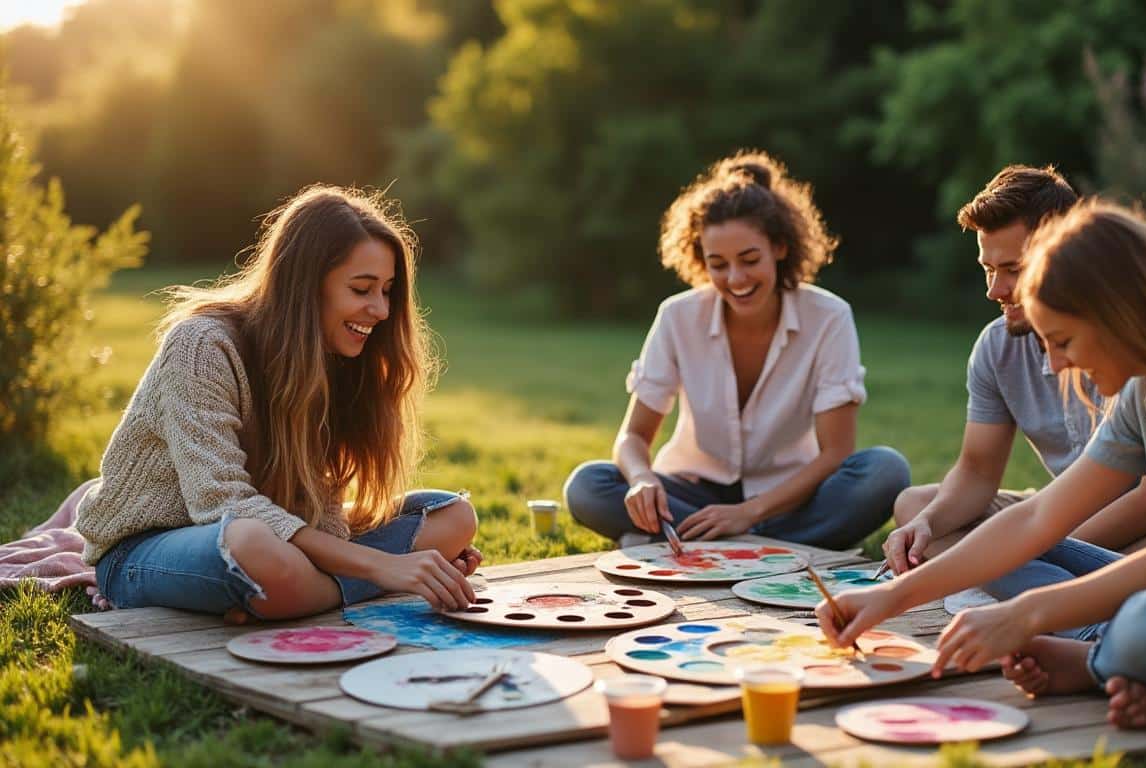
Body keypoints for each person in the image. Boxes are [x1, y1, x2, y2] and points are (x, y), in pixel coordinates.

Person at [818, 200, 1146, 729]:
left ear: (1121, 313)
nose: (1056, 364)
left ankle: (1106, 663)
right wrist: (890, 595)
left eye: (1063, 341)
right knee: (977, 529)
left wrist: (1024, 615)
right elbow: (1038, 516)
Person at [77, 185, 481, 621]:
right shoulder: (201, 345)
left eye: (386, 291)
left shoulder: (333, 359)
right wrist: (384, 566)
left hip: (274, 538)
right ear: (305, 286)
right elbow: (221, 504)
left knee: (453, 516)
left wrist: (391, 561)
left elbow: (320, 513)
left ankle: (286, 595)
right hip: (151, 548)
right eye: (362, 289)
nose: (381, 310)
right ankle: (307, 590)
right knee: (252, 545)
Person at [564, 151, 909, 550]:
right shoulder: (677, 316)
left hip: (787, 499)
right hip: (692, 495)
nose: (735, 278)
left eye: (749, 259)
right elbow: (633, 437)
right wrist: (642, 479)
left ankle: (709, 543)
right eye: (718, 264)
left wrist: (750, 512)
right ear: (701, 261)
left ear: (780, 247)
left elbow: (835, 453)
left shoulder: (829, 317)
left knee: (885, 471)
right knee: (589, 485)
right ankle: (776, 547)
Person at [883, 166, 1146, 638]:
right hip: (1059, 511)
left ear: (1063, 249)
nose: (995, 290)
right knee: (916, 506)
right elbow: (976, 473)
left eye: (1012, 269)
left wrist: (1026, 547)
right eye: (989, 270)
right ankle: (1059, 591)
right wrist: (934, 525)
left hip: (1142, 526)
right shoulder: (997, 346)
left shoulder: (1133, 341)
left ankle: (1057, 602)